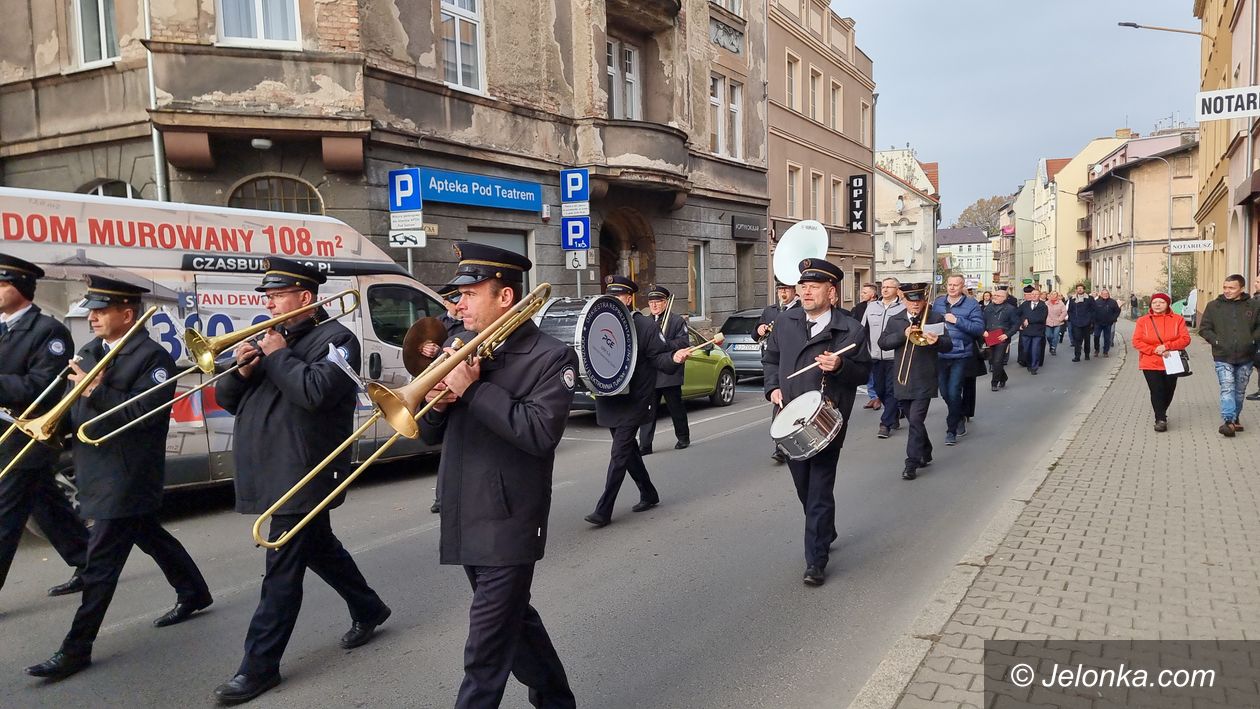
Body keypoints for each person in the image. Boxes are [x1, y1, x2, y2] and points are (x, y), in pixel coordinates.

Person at [213, 258, 390, 705]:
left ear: (305, 298)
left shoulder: (339, 340)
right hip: (272, 466)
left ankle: (258, 667)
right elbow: (230, 401)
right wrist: (242, 370)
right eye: (267, 297)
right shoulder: (270, 340)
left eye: (275, 296)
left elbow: (314, 392)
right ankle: (368, 607)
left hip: (305, 469)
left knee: (281, 572)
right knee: (319, 548)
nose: (267, 303)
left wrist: (276, 356)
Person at [26, 277, 212, 680]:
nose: (91, 316)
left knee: (100, 566)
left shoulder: (152, 357)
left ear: (127, 314)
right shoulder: (90, 351)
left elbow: (145, 416)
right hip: (97, 470)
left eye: (101, 309)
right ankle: (194, 591)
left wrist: (95, 392)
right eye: (91, 309)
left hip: (128, 474)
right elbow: (76, 414)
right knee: (149, 534)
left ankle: (76, 648)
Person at [418, 243, 578, 708]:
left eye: (469, 293)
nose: (458, 303)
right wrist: (439, 402)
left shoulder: (550, 357)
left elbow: (539, 433)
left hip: (509, 522)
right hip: (465, 512)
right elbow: (428, 434)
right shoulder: (461, 350)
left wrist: (475, 389)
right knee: (515, 626)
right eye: (458, 294)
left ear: (505, 296)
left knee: (484, 654)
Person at [762, 258, 870, 586]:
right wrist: (773, 387)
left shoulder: (850, 329)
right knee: (804, 488)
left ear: (832, 293)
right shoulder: (786, 321)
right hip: (791, 417)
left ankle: (816, 560)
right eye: (803, 286)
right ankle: (827, 528)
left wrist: (839, 366)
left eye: (814, 287)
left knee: (820, 489)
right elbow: (772, 359)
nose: (806, 292)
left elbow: (864, 371)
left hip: (827, 420)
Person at [0, 255, 89, 601]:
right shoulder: (3, 328)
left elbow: (42, 387)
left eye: (3, 284)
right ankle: (87, 560)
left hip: (28, 436)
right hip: (5, 433)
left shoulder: (48, 331)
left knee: (5, 512)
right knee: (44, 503)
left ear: (21, 287)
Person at [585, 277, 690, 527]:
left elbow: (658, 359)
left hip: (635, 398)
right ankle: (648, 492)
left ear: (629, 298)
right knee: (628, 449)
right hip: (611, 397)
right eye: (610, 296)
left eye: (618, 297)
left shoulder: (643, 326)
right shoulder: (600, 322)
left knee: (619, 451)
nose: (613, 301)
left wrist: (674, 358)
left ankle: (604, 509)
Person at [878, 283, 951, 481]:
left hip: (925, 378)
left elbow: (948, 346)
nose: (915, 305)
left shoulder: (935, 317)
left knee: (916, 420)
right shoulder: (896, 320)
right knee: (913, 421)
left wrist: (937, 341)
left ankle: (911, 463)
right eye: (911, 301)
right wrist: (903, 335)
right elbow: (882, 344)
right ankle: (925, 450)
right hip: (902, 379)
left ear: (923, 300)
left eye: (918, 300)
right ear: (904, 301)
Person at [1198, 274, 1260, 437]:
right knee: (1227, 387)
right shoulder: (1214, 306)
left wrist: (1252, 341)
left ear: (1241, 288)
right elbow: (1204, 328)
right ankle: (1228, 421)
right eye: (1225, 287)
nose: (1227, 290)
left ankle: (1234, 417)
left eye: (1231, 288)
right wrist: (1216, 341)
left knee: (1239, 391)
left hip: (1246, 356)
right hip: (1222, 355)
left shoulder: (1253, 305)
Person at [931, 274, 984, 446]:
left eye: (956, 285)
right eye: (950, 284)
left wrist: (957, 320)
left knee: (954, 391)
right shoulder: (938, 302)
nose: (952, 288)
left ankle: (951, 430)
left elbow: (978, 328)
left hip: (960, 354)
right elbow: (930, 321)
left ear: (962, 287)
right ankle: (958, 413)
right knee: (945, 392)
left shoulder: (971, 304)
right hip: (939, 352)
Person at [639, 286, 691, 454]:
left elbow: (683, 343)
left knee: (675, 408)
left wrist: (664, 344)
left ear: (666, 302)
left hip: (669, 372)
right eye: (651, 302)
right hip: (650, 373)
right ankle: (645, 445)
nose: (654, 305)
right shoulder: (645, 322)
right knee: (648, 411)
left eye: (658, 302)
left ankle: (683, 437)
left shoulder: (676, 321)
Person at [1132, 293, 1191, 432]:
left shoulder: (1178, 319)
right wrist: (1154, 350)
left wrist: (1167, 346)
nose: (1158, 305)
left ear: (1167, 304)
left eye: (1161, 302)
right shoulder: (1143, 321)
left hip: (1172, 360)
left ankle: (1161, 411)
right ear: (1151, 305)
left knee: (1169, 390)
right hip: (1150, 361)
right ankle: (1160, 419)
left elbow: (1185, 339)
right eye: (1155, 302)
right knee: (1156, 390)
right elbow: (1136, 341)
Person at [757, 282, 800, 463]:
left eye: (786, 290)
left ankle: (796, 442)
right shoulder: (771, 310)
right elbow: (756, 333)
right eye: (780, 290)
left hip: (793, 362)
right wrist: (759, 329)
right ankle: (781, 447)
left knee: (795, 407)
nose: (782, 293)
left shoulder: (801, 310)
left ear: (793, 291)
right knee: (780, 405)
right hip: (774, 360)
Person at [863, 278, 905, 438]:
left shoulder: (902, 307)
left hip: (895, 356)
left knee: (891, 390)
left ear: (897, 289)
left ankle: (885, 423)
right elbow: (863, 330)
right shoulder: (872, 306)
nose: (885, 290)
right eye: (883, 287)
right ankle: (894, 413)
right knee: (879, 390)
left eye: (889, 287)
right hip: (875, 356)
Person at [983, 287, 1020, 392]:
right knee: (993, 360)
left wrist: (1007, 335)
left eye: (998, 295)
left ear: (1004, 298)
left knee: (998, 360)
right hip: (989, 336)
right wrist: (983, 331)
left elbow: (1016, 324)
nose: (994, 297)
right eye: (994, 295)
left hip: (1002, 337)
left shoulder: (1010, 309)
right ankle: (1003, 377)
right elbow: (982, 320)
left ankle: (994, 383)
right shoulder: (988, 308)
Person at [852, 283, 881, 411]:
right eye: (862, 292)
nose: (861, 294)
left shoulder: (880, 306)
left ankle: (880, 396)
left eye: (865, 292)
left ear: (873, 294)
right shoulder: (859, 308)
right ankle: (873, 397)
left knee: (878, 372)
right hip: (864, 343)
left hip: (878, 344)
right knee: (869, 370)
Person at [1017, 286, 1048, 375]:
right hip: (1026, 331)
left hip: (1038, 331)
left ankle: (1034, 367)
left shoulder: (1043, 306)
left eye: (1036, 294)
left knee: (1035, 349)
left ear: (1039, 295)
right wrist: (1023, 320)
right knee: (1026, 350)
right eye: (1032, 294)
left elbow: (1041, 318)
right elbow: (1018, 314)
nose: (1033, 296)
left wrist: (1028, 320)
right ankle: (1029, 364)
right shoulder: (1025, 304)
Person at [1067, 285, 1096, 361]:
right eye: (1078, 288)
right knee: (1077, 340)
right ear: (1076, 290)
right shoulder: (1072, 299)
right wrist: (1072, 319)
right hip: (1076, 322)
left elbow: (1093, 310)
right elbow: (1070, 310)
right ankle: (1077, 356)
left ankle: (1087, 354)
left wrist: (1090, 320)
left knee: (1087, 339)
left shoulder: (1089, 299)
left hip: (1086, 322)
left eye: (1081, 288)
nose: (1080, 290)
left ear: (1084, 289)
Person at [1093, 289, 1121, 358]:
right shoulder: (1096, 302)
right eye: (1104, 294)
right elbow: (1092, 311)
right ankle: (1096, 350)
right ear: (1101, 294)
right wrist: (1093, 320)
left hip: (1108, 323)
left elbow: (1117, 311)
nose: (1105, 295)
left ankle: (1105, 351)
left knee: (1107, 338)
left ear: (1108, 294)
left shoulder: (1113, 302)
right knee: (1096, 336)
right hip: (1098, 323)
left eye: (1107, 294)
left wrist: (1113, 318)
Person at [1045, 291, 1067, 357]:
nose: (1053, 296)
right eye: (1052, 294)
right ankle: (1051, 345)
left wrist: (1060, 319)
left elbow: (1064, 312)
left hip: (1057, 322)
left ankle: (1053, 348)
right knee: (1049, 336)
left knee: (1056, 336)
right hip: (1048, 322)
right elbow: (1042, 311)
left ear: (1057, 296)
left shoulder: (1061, 303)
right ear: (1050, 295)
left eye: (1055, 294)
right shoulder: (1046, 303)